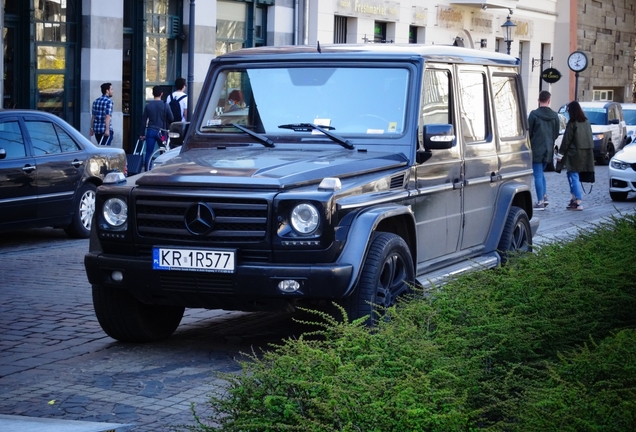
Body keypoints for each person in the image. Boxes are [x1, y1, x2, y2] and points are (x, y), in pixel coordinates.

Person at [556, 100, 595, 211]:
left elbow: (566, 140)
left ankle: (577, 201)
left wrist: (560, 154)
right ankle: (574, 199)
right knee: (572, 175)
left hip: (574, 153)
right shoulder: (586, 122)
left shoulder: (572, 123)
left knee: (573, 176)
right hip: (586, 153)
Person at [528, 90, 560, 210]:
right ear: (549, 101)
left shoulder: (533, 114)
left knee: (537, 175)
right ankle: (544, 197)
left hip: (536, 148)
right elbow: (556, 133)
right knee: (541, 174)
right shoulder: (555, 116)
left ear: (538, 100)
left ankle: (540, 201)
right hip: (548, 149)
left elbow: (529, 132)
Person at [140, 86, 173, 170]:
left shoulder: (148, 106)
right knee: (163, 151)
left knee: (149, 152)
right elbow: (171, 118)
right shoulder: (165, 105)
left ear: (152, 94)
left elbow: (143, 121)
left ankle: (147, 170)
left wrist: (142, 134)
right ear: (161, 94)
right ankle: (162, 169)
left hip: (150, 130)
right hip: (161, 132)